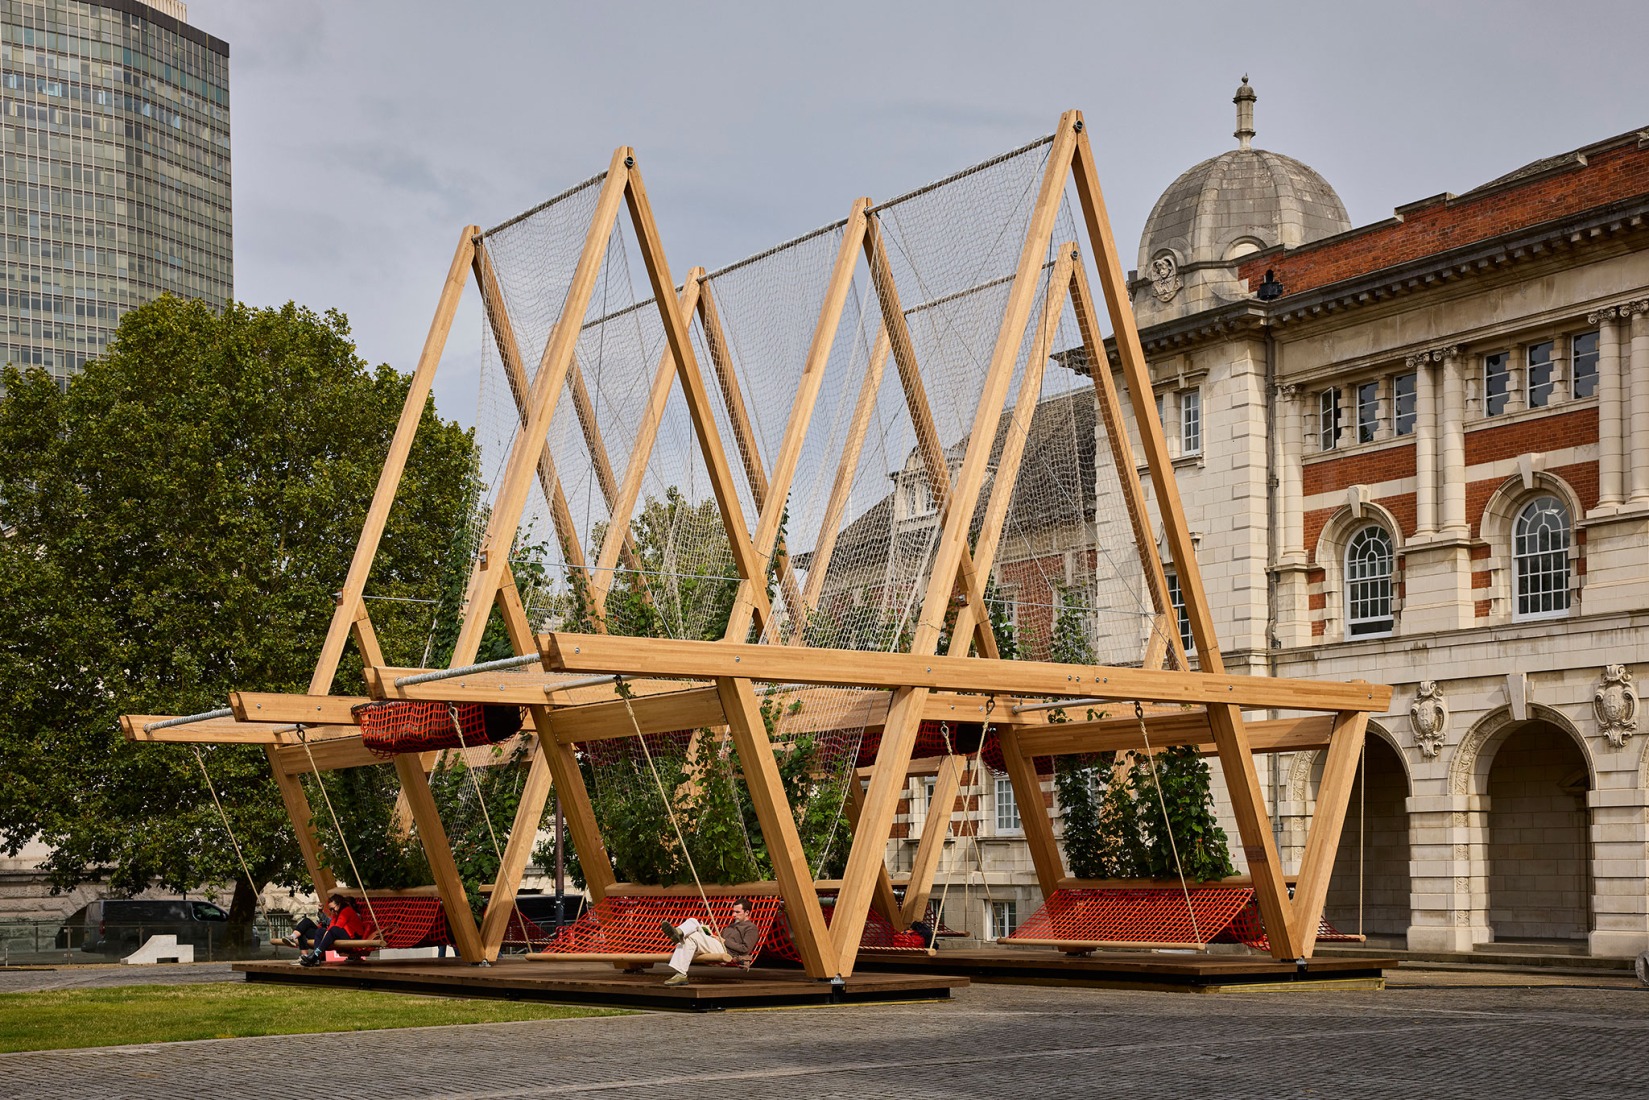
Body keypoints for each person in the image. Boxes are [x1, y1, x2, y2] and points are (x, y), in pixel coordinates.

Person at [658, 898, 761, 986]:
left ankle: (679, 936)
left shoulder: (751, 928)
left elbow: (745, 949)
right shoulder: (731, 926)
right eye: (733, 911)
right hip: (717, 946)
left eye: (737, 912)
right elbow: (720, 939)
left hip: (727, 952)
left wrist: (723, 941)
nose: (733, 915)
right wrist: (711, 935)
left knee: (691, 936)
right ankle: (681, 971)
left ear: (747, 913)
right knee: (692, 926)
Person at [299, 893, 370, 967]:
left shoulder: (346, 911)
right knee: (320, 931)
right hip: (344, 933)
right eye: (330, 909)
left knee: (334, 930)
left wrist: (326, 936)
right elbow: (331, 925)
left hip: (353, 935)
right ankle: (316, 958)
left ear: (339, 905)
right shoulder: (336, 912)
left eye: (333, 908)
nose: (332, 911)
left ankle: (316, 954)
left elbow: (338, 926)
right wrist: (325, 934)